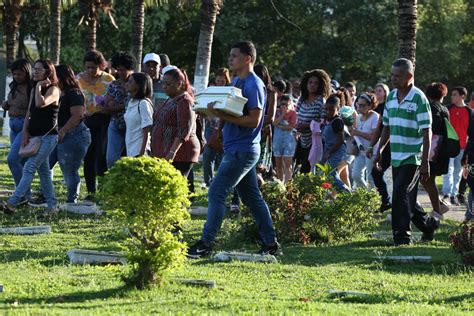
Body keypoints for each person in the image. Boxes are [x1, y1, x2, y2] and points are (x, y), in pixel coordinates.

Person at [187, 41, 280, 258]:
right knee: (252, 198)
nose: (230, 59)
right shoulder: (237, 80)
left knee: (217, 192)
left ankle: (205, 244)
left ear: (248, 58)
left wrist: (220, 115)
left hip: (243, 150)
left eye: (234, 56)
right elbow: (231, 112)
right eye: (230, 55)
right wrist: (212, 114)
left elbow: (254, 120)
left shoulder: (254, 85)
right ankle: (270, 243)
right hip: (235, 147)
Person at [374, 58, 439, 245]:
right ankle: (428, 225)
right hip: (396, 156)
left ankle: (402, 237)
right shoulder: (392, 97)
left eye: (398, 75)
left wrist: (425, 160)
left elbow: (427, 130)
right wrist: (380, 150)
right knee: (406, 196)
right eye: (392, 75)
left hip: (414, 156)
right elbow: (386, 127)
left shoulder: (419, 98)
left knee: (400, 194)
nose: (393, 79)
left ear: (409, 76)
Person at [1, 59, 60, 215]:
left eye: (38, 70)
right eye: (34, 69)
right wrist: (26, 132)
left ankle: (13, 202)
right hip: (34, 135)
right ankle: (52, 205)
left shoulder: (53, 90)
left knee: (29, 166)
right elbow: (30, 113)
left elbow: (41, 104)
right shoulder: (35, 89)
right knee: (44, 172)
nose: (35, 72)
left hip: (48, 137)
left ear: (48, 73)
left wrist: (40, 86)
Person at [49, 65, 91, 203]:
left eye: (53, 75)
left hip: (74, 135)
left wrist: (63, 131)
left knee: (69, 169)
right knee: (45, 164)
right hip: (58, 134)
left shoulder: (74, 93)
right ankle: (47, 195)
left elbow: (77, 115)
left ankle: (72, 199)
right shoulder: (58, 92)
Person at [78, 50, 115, 201]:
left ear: (101, 66)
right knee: (88, 157)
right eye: (87, 67)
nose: (90, 70)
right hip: (85, 121)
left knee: (101, 156)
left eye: (93, 67)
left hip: (103, 120)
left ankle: (104, 190)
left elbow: (113, 99)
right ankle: (91, 191)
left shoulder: (108, 80)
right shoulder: (78, 79)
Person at [151, 68, 200, 177]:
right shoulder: (170, 98)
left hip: (180, 154)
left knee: (175, 188)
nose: (164, 87)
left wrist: (172, 152)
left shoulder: (184, 101)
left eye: (168, 84)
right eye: (163, 83)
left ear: (179, 84)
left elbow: (184, 130)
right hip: (165, 151)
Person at [2, 59, 33, 204]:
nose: (16, 77)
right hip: (13, 124)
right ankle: (25, 194)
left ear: (27, 73)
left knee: (13, 159)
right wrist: (7, 104)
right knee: (21, 162)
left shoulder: (31, 87)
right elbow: (12, 102)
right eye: (14, 74)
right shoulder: (14, 86)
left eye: (19, 74)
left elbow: (33, 108)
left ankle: (22, 194)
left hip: (24, 126)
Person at [422, 82, 450, 219]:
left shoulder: (432, 108)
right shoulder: (444, 108)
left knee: (427, 179)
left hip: (433, 150)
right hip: (441, 149)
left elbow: (431, 129)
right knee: (426, 179)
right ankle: (439, 206)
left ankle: (437, 211)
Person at [295, 69, 331, 174]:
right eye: (310, 82)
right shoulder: (302, 99)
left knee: (307, 171)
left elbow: (324, 121)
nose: (312, 85)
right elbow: (296, 114)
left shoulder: (321, 101)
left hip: (315, 142)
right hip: (302, 140)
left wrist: (308, 125)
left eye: (316, 83)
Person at [103, 52, 136, 168]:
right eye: (118, 70)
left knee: (132, 158)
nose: (120, 73)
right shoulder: (113, 85)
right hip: (116, 124)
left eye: (123, 70)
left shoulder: (138, 84)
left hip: (133, 125)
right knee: (111, 159)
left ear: (130, 68)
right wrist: (122, 106)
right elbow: (106, 106)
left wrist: (117, 106)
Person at [441, 86, 470, 206]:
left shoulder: (470, 112)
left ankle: (454, 195)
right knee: (448, 170)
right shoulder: (447, 109)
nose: (452, 97)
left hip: (462, 146)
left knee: (457, 172)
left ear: (462, 96)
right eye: (451, 94)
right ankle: (446, 194)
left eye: (454, 95)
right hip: (448, 145)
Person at [202, 68, 229, 187]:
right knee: (208, 154)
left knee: (222, 157)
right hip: (210, 127)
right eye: (218, 81)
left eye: (222, 81)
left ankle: (221, 182)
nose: (219, 83)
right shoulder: (210, 91)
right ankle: (209, 182)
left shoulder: (229, 92)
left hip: (224, 128)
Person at [368, 83, 392, 212]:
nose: (377, 92)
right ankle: (385, 200)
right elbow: (378, 129)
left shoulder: (388, 105)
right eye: (375, 90)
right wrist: (372, 146)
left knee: (391, 177)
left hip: (395, 146)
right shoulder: (377, 108)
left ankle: (389, 202)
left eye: (380, 90)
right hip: (382, 146)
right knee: (375, 173)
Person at [322, 94, 350, 192]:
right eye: (326, 109)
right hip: (329, 150)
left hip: (336, 151)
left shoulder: (337, 121)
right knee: (324, 174)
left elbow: (341, 140)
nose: (328, 112)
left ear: (337, 109)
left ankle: (347, 193)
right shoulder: (327, 120)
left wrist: (329, 152)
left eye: (331, 110)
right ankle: (329, 196)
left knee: (331, 175)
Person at [350, 92, 379, 188]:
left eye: (363, 105)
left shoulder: (375, 117)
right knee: (355, 175)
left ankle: (375, 200)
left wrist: (358, 133)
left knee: (371, 178)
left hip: (372, 151)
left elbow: (374, 136)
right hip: (361, 152)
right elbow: (356, 135)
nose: (359, 108)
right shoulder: (358, 117)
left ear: (370, 105)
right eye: (358, 105)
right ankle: (367, 195)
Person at [124, 73, 154, 157]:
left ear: (138, 85)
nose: (127, 84)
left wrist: (142, 152)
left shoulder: (143, 103)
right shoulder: (131, 102)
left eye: (130, 82)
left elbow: (147, 130)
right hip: (130, 147)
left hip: (139, 150)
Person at [273, 95, 297, 183]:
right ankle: (280, 183)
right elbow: (274, 123)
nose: (285, 106)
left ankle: (288, 185)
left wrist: (280, 125)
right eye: (283, 104)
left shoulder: (293, 113)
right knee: (278, 164)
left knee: (288, 164)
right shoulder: (277, 112)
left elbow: (292, 126)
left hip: (289, 141)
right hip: (277, 140)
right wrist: (282, 115)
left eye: (287, 104)